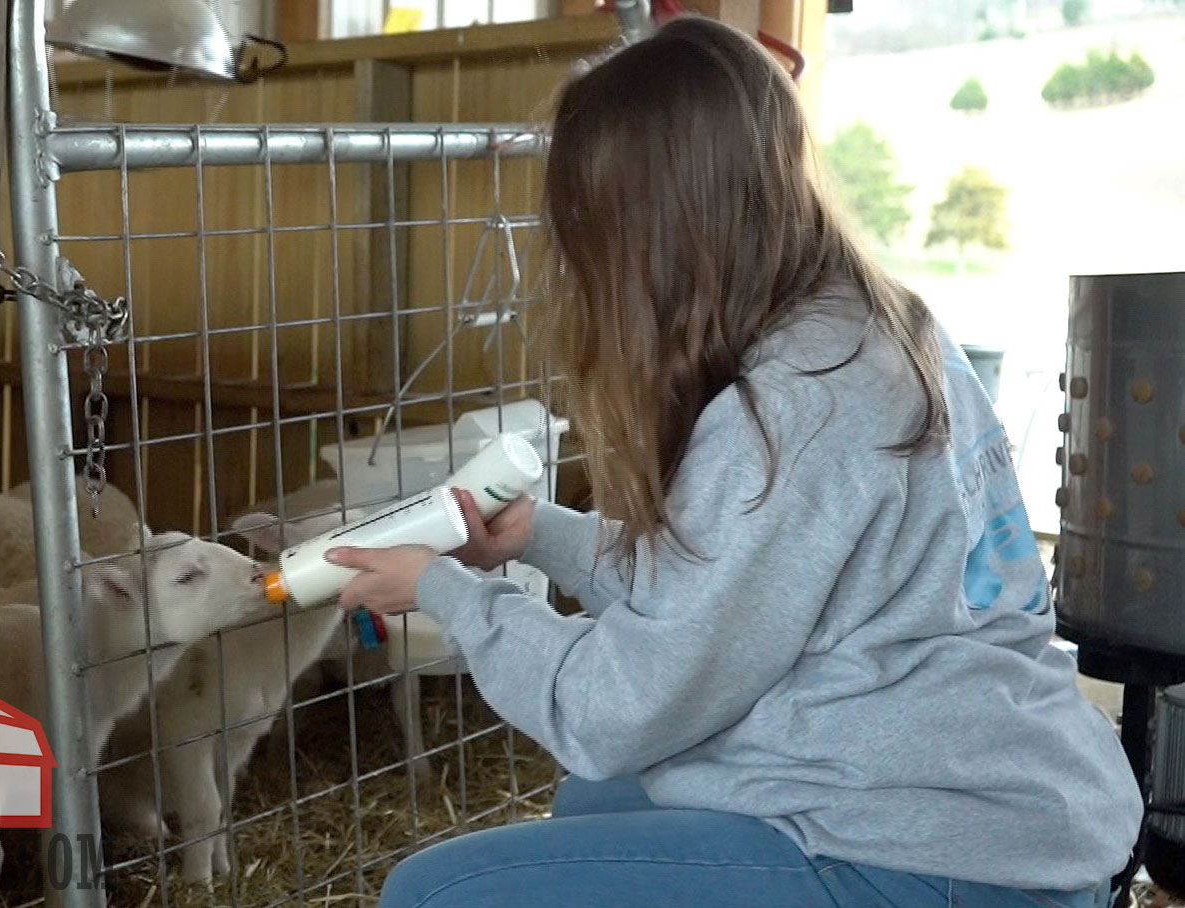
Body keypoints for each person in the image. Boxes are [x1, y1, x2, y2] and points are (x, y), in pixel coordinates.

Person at [323, 14, 1142, 908]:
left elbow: (614, 710)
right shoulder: (871, 322)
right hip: (989, 785)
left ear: (655, 232)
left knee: (434, 895)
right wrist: (538, 536)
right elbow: (738, 591)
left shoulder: (790, 409)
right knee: (593, 804)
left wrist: (447, 595)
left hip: (942, 852)